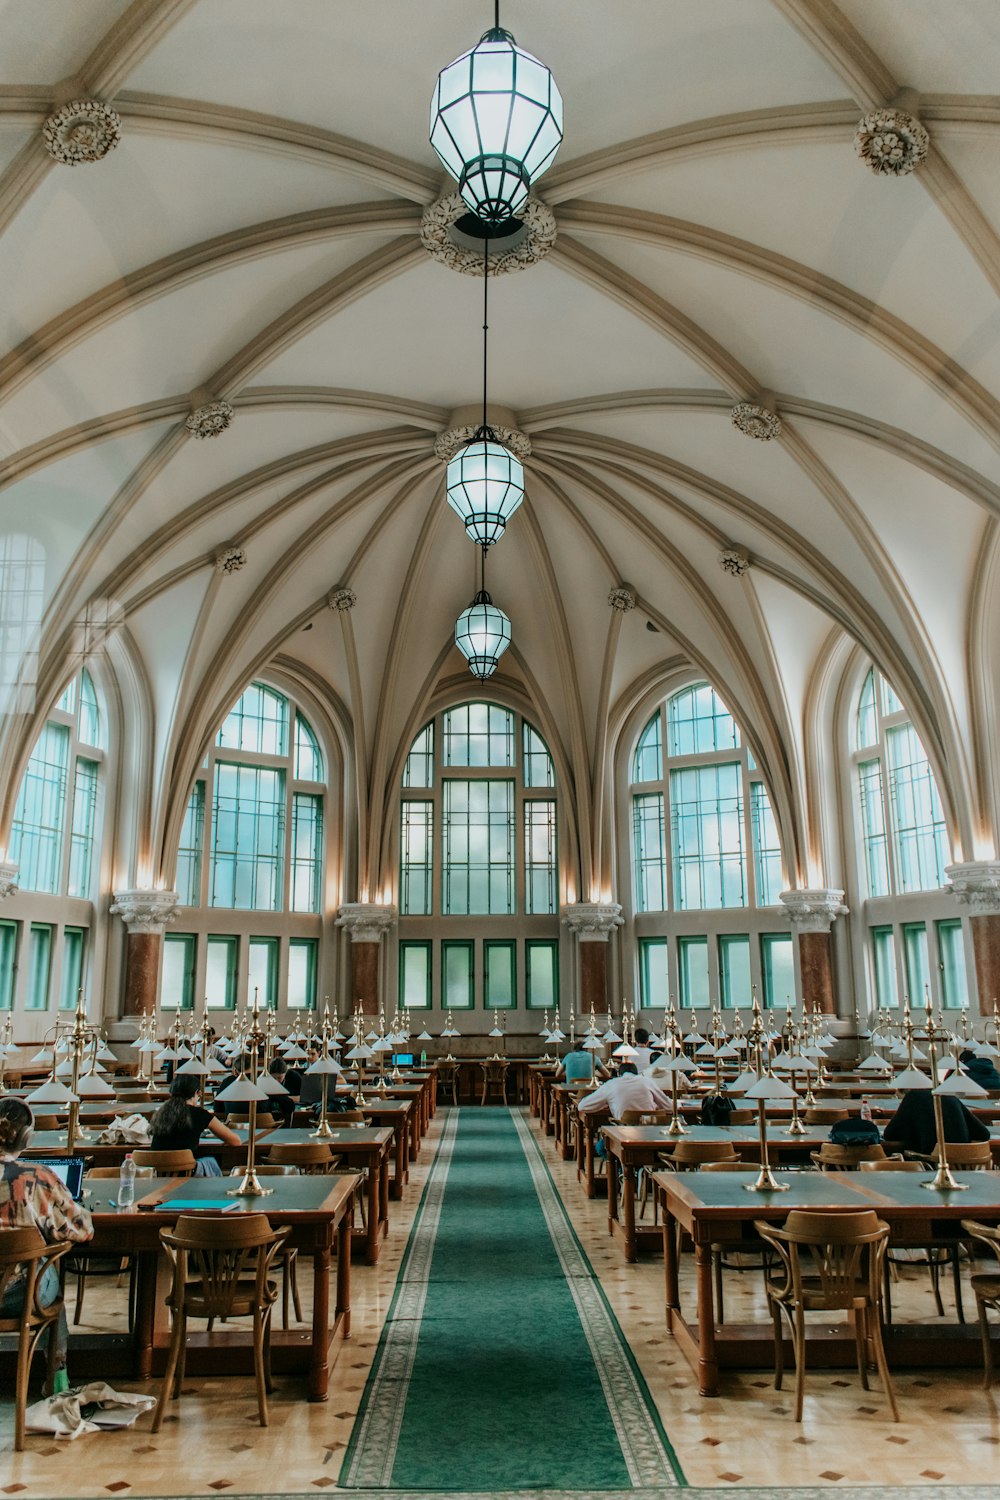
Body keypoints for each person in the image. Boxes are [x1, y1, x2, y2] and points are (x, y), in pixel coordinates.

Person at [0, 1097, 94, 1389]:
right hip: (19, 1295)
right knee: (46, 1278)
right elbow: (80, 1230)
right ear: (26, 1138)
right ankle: (58, 1381)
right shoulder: (38, 1176)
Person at [149, 1075, 242, 1170]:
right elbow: (235, 1141)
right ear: (196, 1093)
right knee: (211, 1162)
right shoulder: (200, 1114)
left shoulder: (160, 1112)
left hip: (157, 1174)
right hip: (185, 1173)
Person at [882, 1087, 991, 1157]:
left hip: (930, 1166)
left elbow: (889, 1135)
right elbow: (984, 1134)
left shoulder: (912, 1098)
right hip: (967, 1169)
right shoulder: (949, 1096)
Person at [576, 1062, 671, 1121]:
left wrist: (606, 1103)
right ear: (637, 1073)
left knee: (600, 1147)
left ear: (618, 1074)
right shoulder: (647, 1081)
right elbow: (669, 1107)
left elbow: (582, 1106)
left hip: (622, 1131)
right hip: (649, 1132)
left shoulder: (611, 1084)